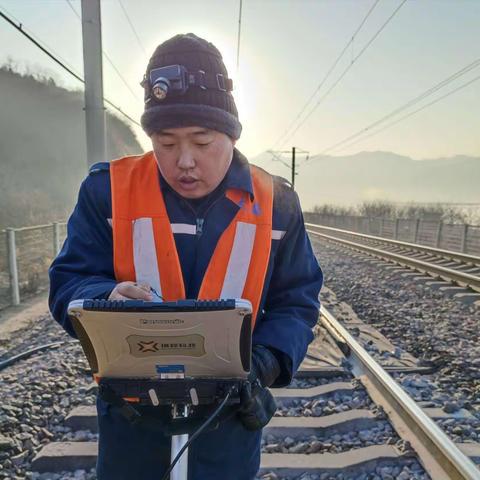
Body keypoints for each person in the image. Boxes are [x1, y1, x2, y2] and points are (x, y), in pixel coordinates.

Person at [49, 33, 322, 480]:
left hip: (229, 418)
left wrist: (266, 361)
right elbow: (68, 280)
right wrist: (104, 297)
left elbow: (297, 300)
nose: (185, 161)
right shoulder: (107, 192)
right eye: (167, 142)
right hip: (131, 418)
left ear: (231, 134)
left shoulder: (277, 204)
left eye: (202, 140)